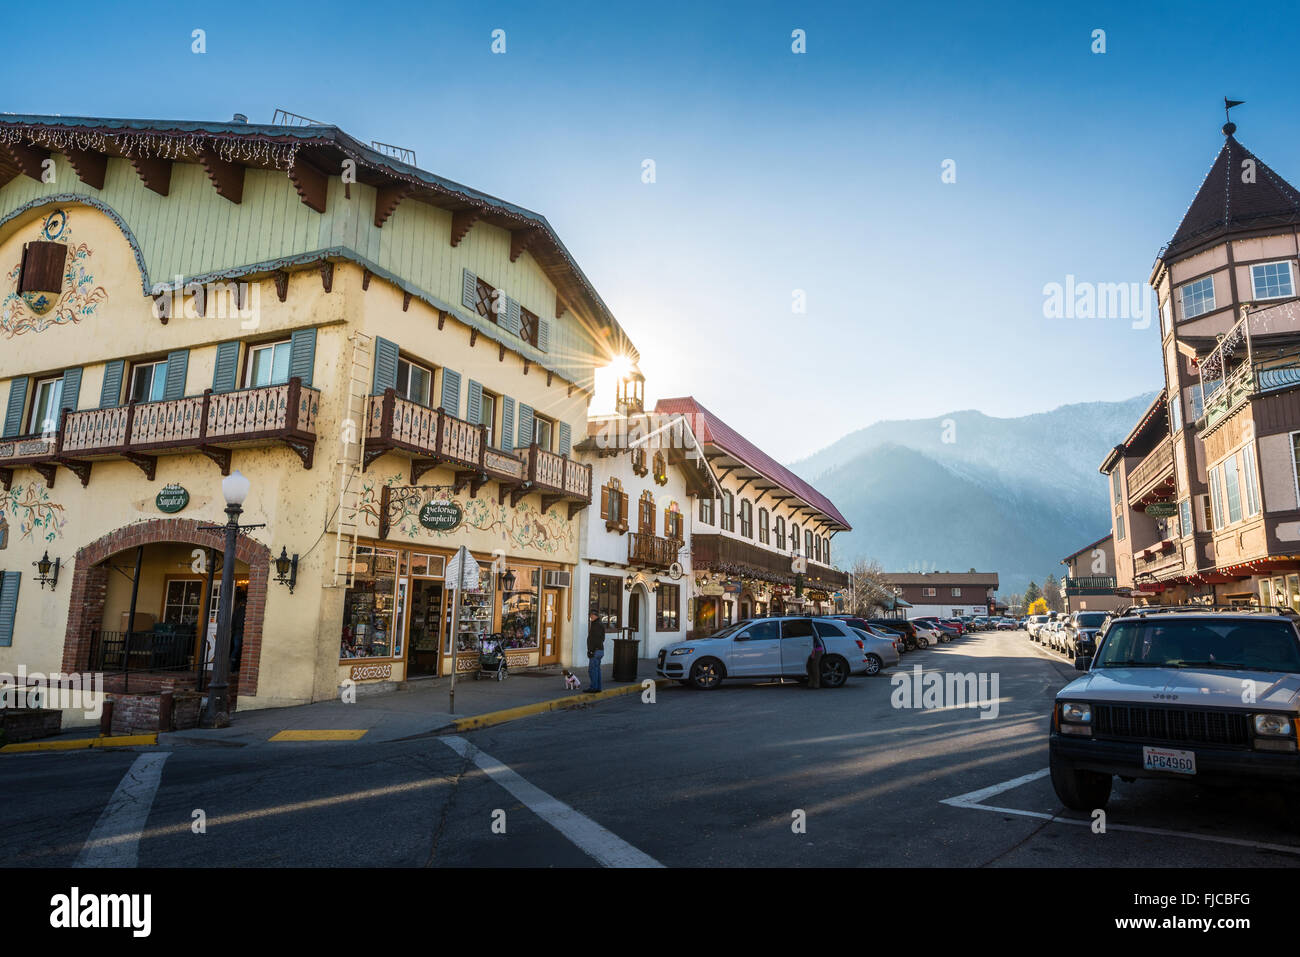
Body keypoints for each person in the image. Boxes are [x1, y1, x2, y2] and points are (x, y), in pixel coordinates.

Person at [585, 609, 606, 693]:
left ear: (595, 615)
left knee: (592, 670)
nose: (590, 616)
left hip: (596, 651)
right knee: (597, 670)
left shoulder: (596, 625)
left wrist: (591, 650)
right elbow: (602, 639)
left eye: (591, 615)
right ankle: (598, 687)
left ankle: (594, 687)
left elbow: (595, 639)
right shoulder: (599, 624)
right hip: (600, 650)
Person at [230, 596, 247, 672]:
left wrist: (233, 631)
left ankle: (232, 666)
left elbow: (232, 622)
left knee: (236, 649)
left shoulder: (236, 611)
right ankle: (237, 667)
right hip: (243, 632)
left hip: (237, 632)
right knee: (241, 650)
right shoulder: (246, 611)